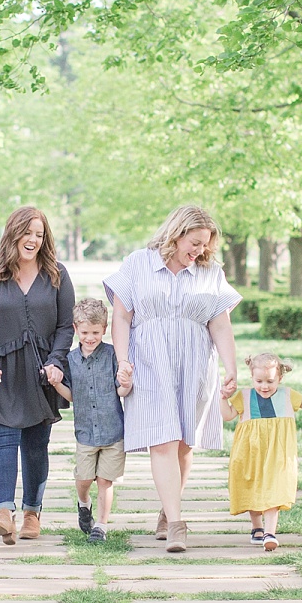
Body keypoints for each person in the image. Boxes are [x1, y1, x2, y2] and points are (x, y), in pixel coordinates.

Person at [105, 204, 241, 553]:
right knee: (162, 440)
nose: (199, 251)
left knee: (183, 441)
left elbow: (220, 322)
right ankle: (178, 523)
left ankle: (169, 508)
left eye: (205, 245)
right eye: (194, 243)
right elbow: (121, 316)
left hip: (195, 364)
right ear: (176, 233)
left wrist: (231, 368)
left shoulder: (210, 272)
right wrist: (122, 360)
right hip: (149, 362)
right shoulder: (139, 263)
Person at [0, 207, 76, 544]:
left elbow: (64, 326)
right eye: (26, 233)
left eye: (39, 234)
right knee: (1, 440)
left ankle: (32, 512)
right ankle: (3, 513)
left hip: (42, 372)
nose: (32, 240)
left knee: (35, 445)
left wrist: (57, 361)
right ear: (12, 234)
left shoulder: (57, 274)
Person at [221, 352, 302, 551]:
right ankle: (257, 528)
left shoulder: (288, 395)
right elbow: (227, 415)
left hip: (278, 456)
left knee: (274, 490)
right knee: (252, 488)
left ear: (280, 378)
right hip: (250, 454)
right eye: (259, 380)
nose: (264, 386)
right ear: (252, 377)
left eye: (270, 381)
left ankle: (270, 532)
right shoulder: (244, 396)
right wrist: (222, 398)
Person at [46, 297, 125, 542]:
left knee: (105, 480)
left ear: (104, 329)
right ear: (75, 330)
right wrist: (57, 383)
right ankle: (83, 503)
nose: (90, 338)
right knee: (84, 479)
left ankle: (101, 526)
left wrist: (126, 383)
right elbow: (72, 396)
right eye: (85, 332)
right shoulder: (70, 361)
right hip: (86, 433)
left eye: (95, 332)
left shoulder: (112, 355)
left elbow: (119, 390)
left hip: (113, 432)